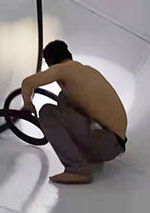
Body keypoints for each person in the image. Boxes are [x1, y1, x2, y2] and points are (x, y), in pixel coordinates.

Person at [20, 40, 128, 184]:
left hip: (105, 141)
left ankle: (77, 169)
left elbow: (27, 83)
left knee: (47, 112)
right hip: (113, 143)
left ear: (51, 61)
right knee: (63, 97)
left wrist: (28, 105)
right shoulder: (86, 70)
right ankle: (83, 158)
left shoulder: (63, 69)